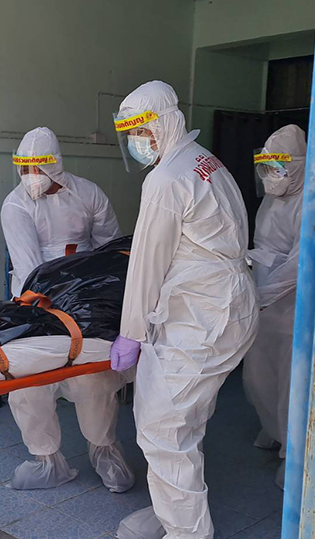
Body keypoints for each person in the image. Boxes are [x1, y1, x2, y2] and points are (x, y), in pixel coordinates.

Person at [109, 81, 259, 539]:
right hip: (225, 304)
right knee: (184, 420)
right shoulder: (204, 161)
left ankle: (186, 532)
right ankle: (168, 511)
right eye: (131, 133)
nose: (138, 141)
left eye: (143, 130)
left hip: (203, 316)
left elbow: (147, 262)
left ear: (166, 122)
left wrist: (131, 331)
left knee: (164, 427)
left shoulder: (165, 180)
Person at [1, 127, 135, 494]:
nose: (30, 177)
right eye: (23, 168)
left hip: (89, 302)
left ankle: (104, 451)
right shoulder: (16, 205)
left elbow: (113, 254)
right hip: (35, 304)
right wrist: (55, 311)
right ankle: (47, 461)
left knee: (93, 380)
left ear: (56, 165)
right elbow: (31, 270)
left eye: (37, 168)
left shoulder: (89, 194)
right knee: (28, 384)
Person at [243, 124, 307, 490]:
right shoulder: (271, 198)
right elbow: (263, 246)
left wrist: (262, 297)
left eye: (278, 167)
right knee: (258, 373)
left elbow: (298, 265)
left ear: (298, 165)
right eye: (266, 167)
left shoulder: (308, 202)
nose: (270, 175)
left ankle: (292, 453)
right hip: (263, 303)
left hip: (294, 309)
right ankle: (272, 427)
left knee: (290, 381)